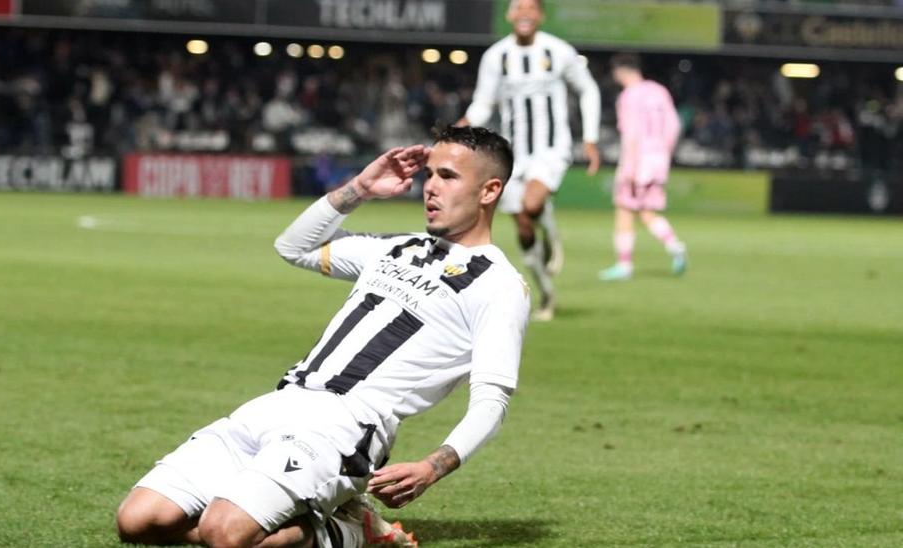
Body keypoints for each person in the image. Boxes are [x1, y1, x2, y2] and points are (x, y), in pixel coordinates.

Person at [115, 127, 530, 548]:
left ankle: (352, 532)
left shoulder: (499, 286)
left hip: (346, 426)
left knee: (223, 532)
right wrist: (361, 188)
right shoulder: (397, 248)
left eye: (448, 176)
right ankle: (318, 516)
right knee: (138, 521)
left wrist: (433, 466)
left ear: (489, 190)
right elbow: (293, 247)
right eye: (429, 175)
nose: (431, 188)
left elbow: (492, 401)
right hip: (279, 402)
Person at [459, 0, 601, 321]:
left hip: (551, 149)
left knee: (531, 206)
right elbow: (484, 101)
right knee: (523, 224)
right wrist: (465, 125)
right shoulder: (497, 56)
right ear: (510, 15)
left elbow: (588, 90)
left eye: (530, 7)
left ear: (540, 15)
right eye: (517, 7)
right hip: (513, 153)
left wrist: (590, 138)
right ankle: (546, 291)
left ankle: (547, 226)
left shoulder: (559, 51)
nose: (524, 13)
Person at [599, 53, 687, 281]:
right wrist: (664, 153)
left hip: (638, 160)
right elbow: (674, 126)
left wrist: (630, 167)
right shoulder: (659, 91)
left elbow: (632, 134)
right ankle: (675, 246)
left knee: (624, 209)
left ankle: (624, 264)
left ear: (619, 71)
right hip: (658, 158)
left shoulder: (628, 97)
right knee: (647, 211)